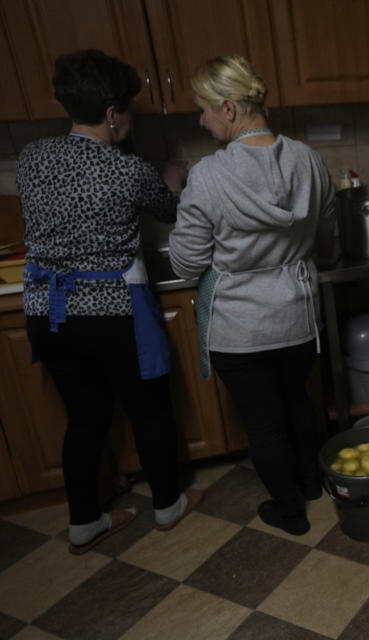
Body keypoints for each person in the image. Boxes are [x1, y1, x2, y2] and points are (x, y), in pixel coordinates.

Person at [17, 49, 201, 555]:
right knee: (149, 410)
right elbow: (168, 210)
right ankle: (168, 505)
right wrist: (171, 176)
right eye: (131, 109)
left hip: (47, 311)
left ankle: (84, 522)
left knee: (86, 416)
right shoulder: (128, 170)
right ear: (115, 113)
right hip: (110, 311)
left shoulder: (32, 159)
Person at [168, 55, 335, 536]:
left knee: (262, 422)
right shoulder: (309, 160)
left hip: (239, 328)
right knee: (298, 402)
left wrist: (179, 193)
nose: (200, 120)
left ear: (227, 108)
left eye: (202, 109)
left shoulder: (207, 176)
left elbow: (184, 264)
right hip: (300, 317)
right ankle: (309, 484)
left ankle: (288, 511)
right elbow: (327, 242)